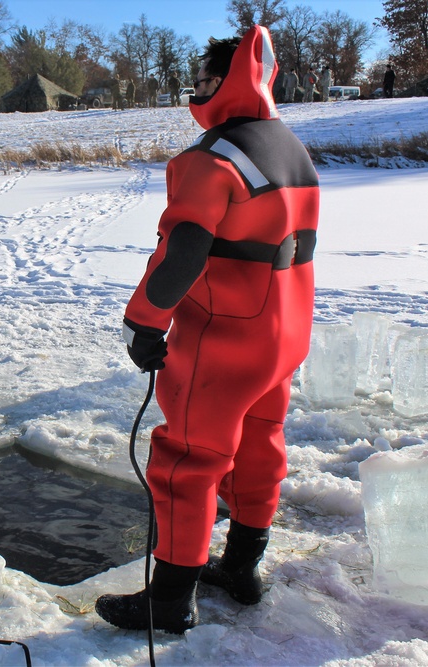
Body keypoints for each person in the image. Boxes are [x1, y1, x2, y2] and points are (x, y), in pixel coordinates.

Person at [95, 25, 319, 634]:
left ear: (232, 80)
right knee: (258, 445)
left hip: (225, 338)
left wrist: (143, 322)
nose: (194, 89)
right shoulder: (290, 148)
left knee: (186, 461)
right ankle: (242, 569)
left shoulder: (212, 158)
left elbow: (183, 250)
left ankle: (168, 603)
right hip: (283, 334)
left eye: (202, 79)